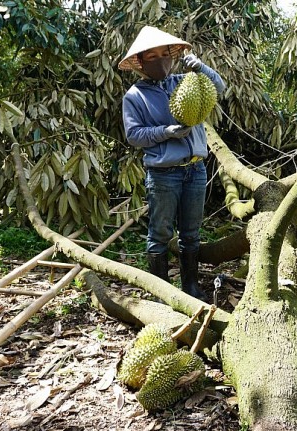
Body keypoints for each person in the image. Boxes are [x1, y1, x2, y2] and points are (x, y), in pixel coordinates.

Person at [119, 26, 225, 301]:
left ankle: (190, 287)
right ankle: (161, 292)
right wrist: (167, 132)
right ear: (140, 62)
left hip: (195, 169)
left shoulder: (185, 82)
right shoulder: (134, 97)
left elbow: (219, 88)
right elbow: (134, 136)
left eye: (165, 54)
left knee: (191, 232)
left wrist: (201, 68)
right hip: (164, 174)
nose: (161, 61)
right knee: (161, 233)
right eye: (152, 56)